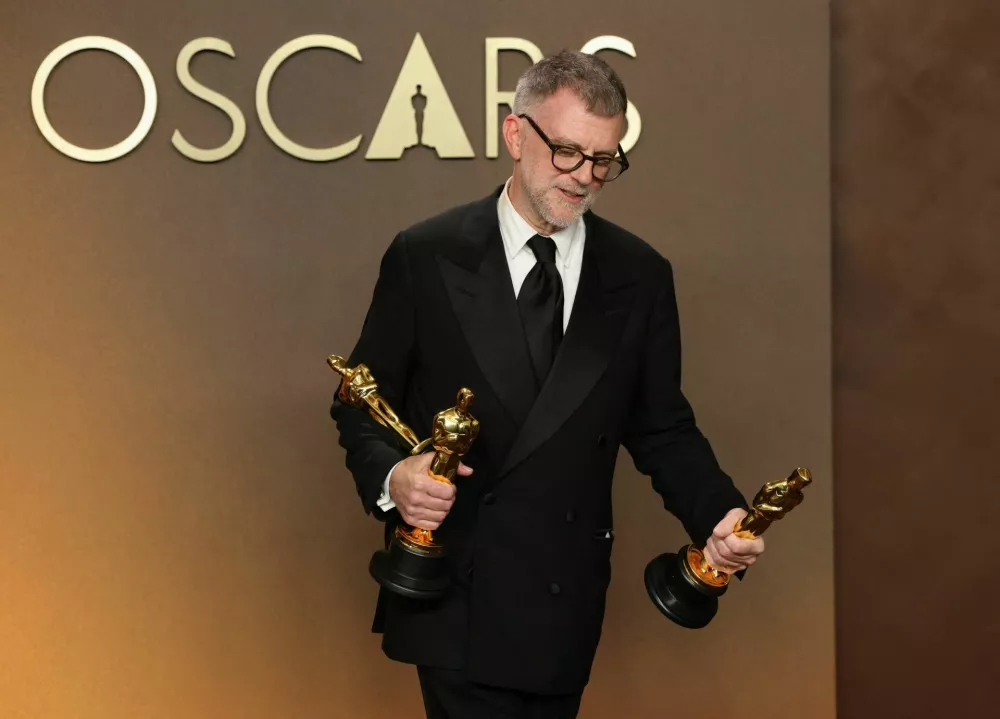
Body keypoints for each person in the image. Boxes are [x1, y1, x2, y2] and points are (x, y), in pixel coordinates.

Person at [331, 50, 765, 719]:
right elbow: (360, 400)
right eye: (567, 152)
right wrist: (395, 480)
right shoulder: (426, 254)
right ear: (515, 134)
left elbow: (662, 427)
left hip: (563, 599)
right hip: (456, 589)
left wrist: (720, 514)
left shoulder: (640, 274)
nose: (585, 176)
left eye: (604, 160)